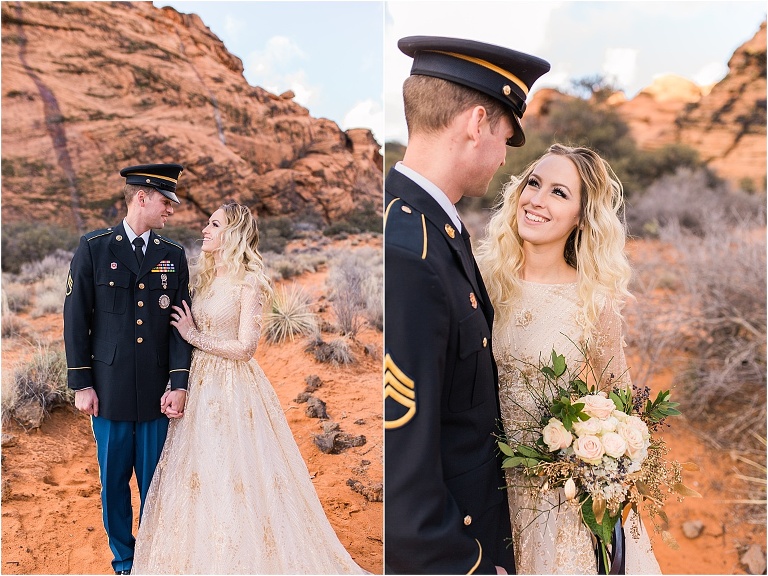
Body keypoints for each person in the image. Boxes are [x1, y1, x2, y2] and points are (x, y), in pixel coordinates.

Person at [384, 36, 550, 574]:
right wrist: (468, 565)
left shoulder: (433, 228)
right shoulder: (411, 250)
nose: (505, 157)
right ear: (477, 123)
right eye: (506, 136)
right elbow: (403, 458)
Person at [131, 202, 368, 575]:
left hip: (233, 388)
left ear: (234, 234)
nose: (204, 230)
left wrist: (194, 336)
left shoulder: (250, 283)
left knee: (237, 469)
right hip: (199, 385)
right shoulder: (204, 280)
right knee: (200, 471)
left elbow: (245, 348)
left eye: (214, 224)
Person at [475, 144, 662, 574]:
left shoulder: (593, 301)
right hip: (482, 484)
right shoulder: (481, 280)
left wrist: (602, 461)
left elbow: (622, 403)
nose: (537, 199)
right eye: (534, 183)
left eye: (559, 192)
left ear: (581, 216)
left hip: (554, 502)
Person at [63, 163, 192, 575]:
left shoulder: (173, 255)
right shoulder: (95, 247)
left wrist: (179, 382)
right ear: (142, 197)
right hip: (110, 390)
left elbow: (179, 325)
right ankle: (124, 561)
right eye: (165, 201)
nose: (171, 209)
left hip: (157, 393)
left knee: (155, 486)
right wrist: (82, 383)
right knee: (114, 484)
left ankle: (152, 557)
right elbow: (75, 318)